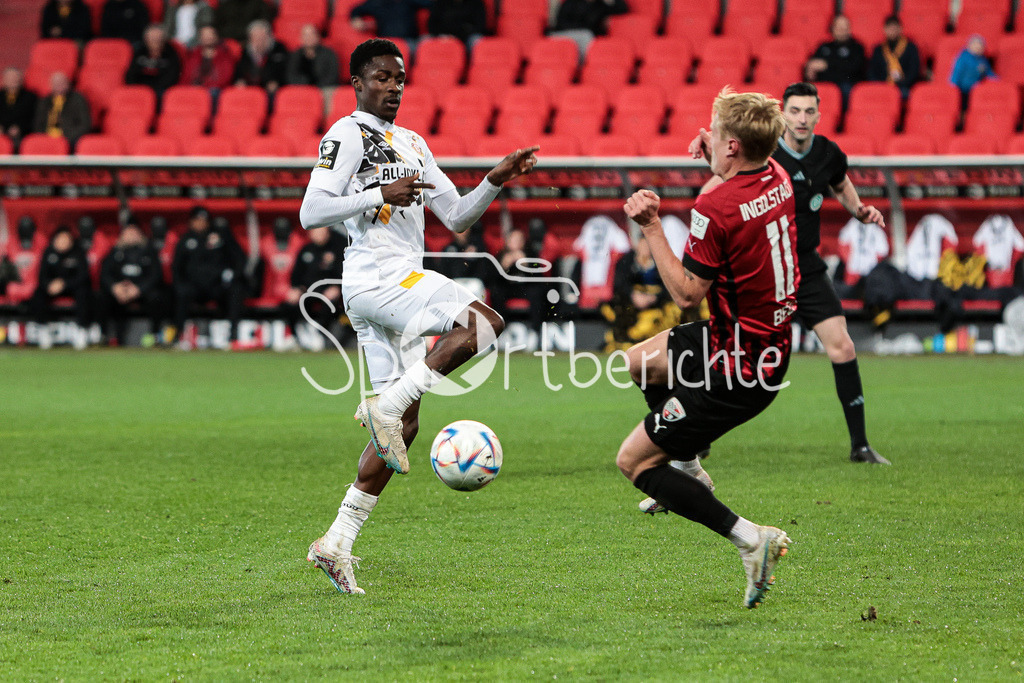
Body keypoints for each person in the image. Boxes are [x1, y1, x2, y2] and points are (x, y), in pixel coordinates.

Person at [299, 38, 538, 594]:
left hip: (390, 286)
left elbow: (455, 217)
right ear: (358, 82)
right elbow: (313, 210)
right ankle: (385, 404)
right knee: (482, 323)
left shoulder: (411, 142)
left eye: (400, 79)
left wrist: (494, 180)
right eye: (382, 77)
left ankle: (336, 542)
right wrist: (377, 191)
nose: (393, 88)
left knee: (403, 429)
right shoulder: (346, 134)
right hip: (376, 275)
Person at [617, 89, 797, 609]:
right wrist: (718, 158)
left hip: (737, 369)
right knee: (640, 363)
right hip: (756, 342)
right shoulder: (777, 175)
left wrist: (651, 225)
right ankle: (690, 465)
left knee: (634, 463)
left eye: (715, 132)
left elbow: (686, 294)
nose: (707, 136)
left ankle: (749, 539)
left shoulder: (714, 204)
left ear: (733, 146)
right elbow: (739, 188)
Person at [672, 82, 888, 468]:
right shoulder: (766, 156)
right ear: (783, 115)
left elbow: (840, 183)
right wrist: (715, 152)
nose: (802, 119)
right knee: (729, 352)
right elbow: (723, 184)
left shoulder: (828, 154)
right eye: (795, 111)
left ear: (819, 115)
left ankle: (860, 445)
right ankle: (697, 434)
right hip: (760, 270)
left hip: (804, 263)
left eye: (809, 111)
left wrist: (859, 210)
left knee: (843, 347)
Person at [170, 206, 246, 347]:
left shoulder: (219, 237)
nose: (200, 223)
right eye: (197, 220)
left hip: (216, 286)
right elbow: (176, 268)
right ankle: (177, 336)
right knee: (180, 293)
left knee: (236, 289)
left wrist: (231, 275)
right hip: (194, 287)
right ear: (191, 222)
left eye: (203, 220)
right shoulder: (185, 240)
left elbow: (238, 259)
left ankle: (233, 336)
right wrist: (180, 285)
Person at [97, 218, 165, 346]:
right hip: (120, 292)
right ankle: (104, 335)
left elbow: (156, 275)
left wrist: (139, 289)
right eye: (128, 232)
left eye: (134, 232)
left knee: (157, 296)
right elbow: (104, 274)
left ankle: (155, 335)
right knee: (101, 297)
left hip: (142, 292)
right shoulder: (115, 252)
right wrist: (115, 287)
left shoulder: (149, 252)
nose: (131, 235)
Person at [30, 225, 93, 349]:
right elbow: (42, 276)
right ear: (55, 240)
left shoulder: (78, 252)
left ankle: (82, 329)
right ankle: (43, 329)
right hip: (53, 288)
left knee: (84, 292)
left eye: (66, 239)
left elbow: (83, 276)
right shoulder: (48, 252)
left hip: (72, 286)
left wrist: (64, 283)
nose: (63, 242)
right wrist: (50, 285)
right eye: (60, 239)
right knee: (38, 293)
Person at [284, 225, 347, 344]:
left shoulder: (337, 250)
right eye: (316, 232)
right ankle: (294, 336)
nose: (319, 235)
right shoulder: (305, 250)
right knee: (290, 302)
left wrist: (337, 287)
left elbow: (342, 273)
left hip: (327, 291)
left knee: (331, 301)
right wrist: (296, 288)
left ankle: (319, 334)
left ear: (328, 233)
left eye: (322, 232)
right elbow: (296, 275)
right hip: (307, 290)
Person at [804, 15, 866, 100]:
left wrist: (827, 65)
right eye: (839, 27)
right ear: (832, 28)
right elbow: (813, 63)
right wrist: (810, 68)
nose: (842, 30)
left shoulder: (857, 47)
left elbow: (854, 67)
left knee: (846, 89)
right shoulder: (824, 46)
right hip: (823, 83)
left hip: (844, 85)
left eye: (845, 27)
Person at [32, 71, 91, 149]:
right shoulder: (44, 101)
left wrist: (66, 137)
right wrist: (44, 135)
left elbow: (85, 124)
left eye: (62, 82)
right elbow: (38, 123)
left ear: (68, 84)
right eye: (56, 83)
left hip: (70, 137)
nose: (59, 85)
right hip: (47, 136)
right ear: (50, 85)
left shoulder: (78, 99)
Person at [866, 15, 921, 98]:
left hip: (903, 87)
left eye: (894, 28)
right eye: (889, 28)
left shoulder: (910, 47)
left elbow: (914, 72)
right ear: (884, 30)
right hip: (882, 87)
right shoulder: (878, 49)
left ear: (900, 29)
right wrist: (881, 86)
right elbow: (872, 72)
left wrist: (898, 85)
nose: (892, 31)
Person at [125, 24, 182, 97]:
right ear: (146, 40)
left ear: (163, 40)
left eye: (158, 39)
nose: (155, 42)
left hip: (160, 91)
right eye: (151, 39)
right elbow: (130, 75)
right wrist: (139, 88)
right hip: (139, 89)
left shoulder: (171, 53)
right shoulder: (139, 52)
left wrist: (151, 90)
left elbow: (172, 77)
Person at [233, 20, 289, 93]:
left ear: (269, 36)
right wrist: (240, 80)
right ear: (250, 38)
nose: (259, 40)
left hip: (273, 89)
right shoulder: (244, 52)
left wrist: (276, 82)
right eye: (256, 37)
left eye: (262, 37)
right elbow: (239, 71)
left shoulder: (280, 49)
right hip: (250, 88)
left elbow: (285, 71)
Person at [181, 25, 237, 90]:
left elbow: (224, 79)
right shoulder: (192, 56)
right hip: (193, 90)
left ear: (216, 37)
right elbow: (185, 77)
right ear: (200, 38)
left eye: (210, 34)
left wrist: (203, 87)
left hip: (214, 91)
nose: (208, 37)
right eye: (204, 35)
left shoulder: (225, 56)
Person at [350, 0, 432, 42]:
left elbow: (432, 5)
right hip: (386, 42)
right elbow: (356, 10)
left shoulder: (409, 1)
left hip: (409, 42)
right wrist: (357, 20)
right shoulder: (377, 2)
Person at [950, 35, 996, 108]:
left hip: (977, 90)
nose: (978, 48)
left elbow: (989, 73)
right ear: (969, 46)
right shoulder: (963, 58)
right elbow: (956, 74)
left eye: (980, 46)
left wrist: (997, 81)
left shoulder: (983, 59)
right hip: (963, 89)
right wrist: (953, 89)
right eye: (975, 45)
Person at [0, 68, 38, 148]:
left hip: (22, 135)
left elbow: (34, 119)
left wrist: (20, 128)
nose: (13, 80)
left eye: (15, 77)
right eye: (10, 78)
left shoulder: (31, 97)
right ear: (4, 80)